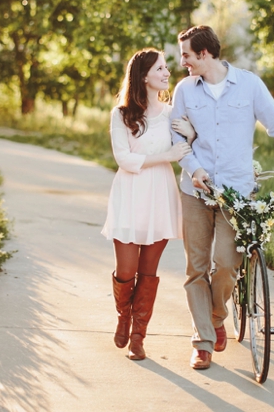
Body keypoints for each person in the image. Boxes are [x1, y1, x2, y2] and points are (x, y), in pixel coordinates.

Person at [170, 25, 274, 370]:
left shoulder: (249, 85)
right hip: (196, 191)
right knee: (195, 268)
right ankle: (202, 341)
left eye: (186, 54)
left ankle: (217, 315)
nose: (182, 61)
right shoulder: (185, 90)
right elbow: (176, 140)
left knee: (227, 265)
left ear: (204, 54)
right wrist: (194, 168)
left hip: (237, 193)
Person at [102, 48, 195, 360]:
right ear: (143, 76)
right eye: (160, 68)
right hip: (129, 194)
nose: (167, 72)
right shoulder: (122, 114)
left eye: (167, 67)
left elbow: (188, 146)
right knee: (126, 270)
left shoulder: (171, 115)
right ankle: (123, 317)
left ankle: (138, 338)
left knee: (148, 272)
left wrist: (191, 135)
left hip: (160, 196)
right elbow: (124, 158)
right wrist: (164, 157)